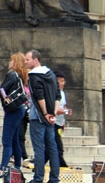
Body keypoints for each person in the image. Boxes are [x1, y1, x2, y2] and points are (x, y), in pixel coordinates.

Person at [25, 49, 60, 183]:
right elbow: (57, 94)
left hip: (38, 116)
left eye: (27, 59)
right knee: (52, 147)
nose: (25, 62)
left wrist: (45, 113)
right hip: (51, 117)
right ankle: (54, 178)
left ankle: (38, 178)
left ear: (36, 60)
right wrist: (53, 114)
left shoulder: (34, 76)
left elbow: (39, 97)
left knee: (39, 148)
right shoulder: (50, 74)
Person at [0, 52, 30, 178]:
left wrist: (3, 97)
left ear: (15, 63)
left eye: (11, 61)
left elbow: (1, 89)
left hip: (12, 111)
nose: (9, 63)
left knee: (7, 140)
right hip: (19, 109)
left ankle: (2, 169)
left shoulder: (11, 74)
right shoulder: (20, 76)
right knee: (15, 140)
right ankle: (17, 167)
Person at [54, 71, 69, 167]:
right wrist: (62, 111)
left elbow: (63, 107)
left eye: (63, 81)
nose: (63, 83)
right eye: (61, 81)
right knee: (58, 147)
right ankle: (62, 165)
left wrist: (66, 111)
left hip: (60, 123)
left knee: (54, 147)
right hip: (53, 122)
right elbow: (54, 109)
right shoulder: (53, 92)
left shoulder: (62, 93)